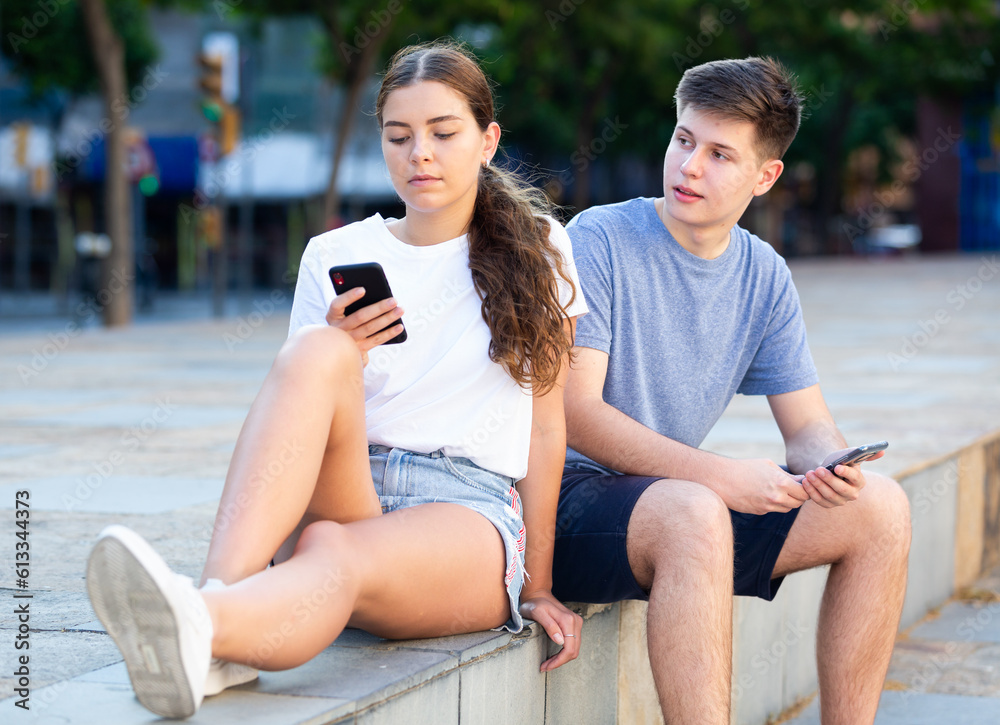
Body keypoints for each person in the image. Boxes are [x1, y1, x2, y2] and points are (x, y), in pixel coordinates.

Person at [85, 40, 587, 720]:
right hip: (353, 480)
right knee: (314, 352)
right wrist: (344, 349)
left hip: (466, 517)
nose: (421, 156)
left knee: (332, 547)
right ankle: (220, 609)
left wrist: (540, 586)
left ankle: (202, 619)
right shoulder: (338, 253)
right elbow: (299, 416)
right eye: (399, 136)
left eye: (444, 133)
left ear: (487, 139)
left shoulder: (541, 246)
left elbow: (548, 426)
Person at [551, 56, 911, 724]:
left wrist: (830, 466)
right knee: (695, 509)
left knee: (881, 510)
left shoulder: (763, 275)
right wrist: (720, 476)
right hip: (563, 505)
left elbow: (806, 427)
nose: (689, 166)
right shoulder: (598, 238)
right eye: (684, 140)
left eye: (719, 154)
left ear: (765, 175)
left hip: (673, 505)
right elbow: (577, 414)